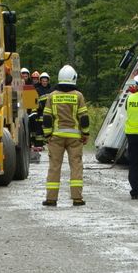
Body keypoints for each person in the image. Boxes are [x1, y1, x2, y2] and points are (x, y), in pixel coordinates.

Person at [42, 65, 89, 207]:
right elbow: (84, 117)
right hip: (75, 138)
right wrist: (85, 133)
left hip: (56, 137)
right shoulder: (78, 96)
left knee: (54, 167)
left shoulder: (52, 96)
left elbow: (47, 117)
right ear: (74, 78)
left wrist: (47, 134)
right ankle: (77, 198)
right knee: (76, 166)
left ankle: (51, 199)